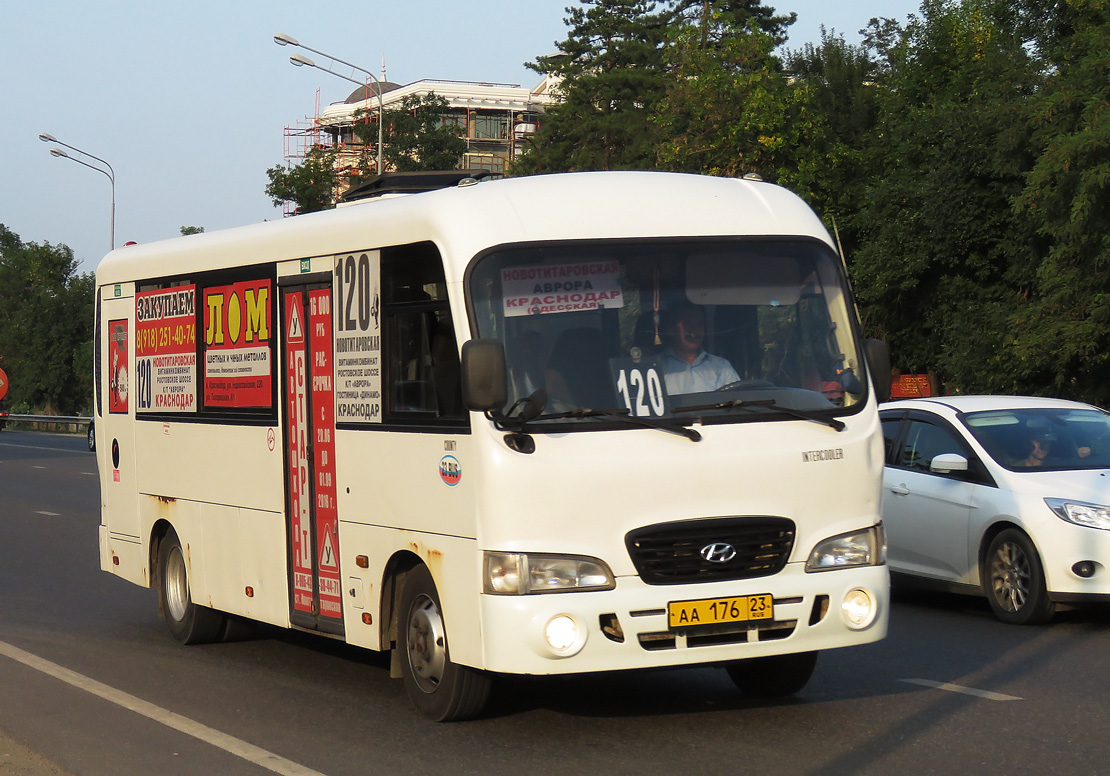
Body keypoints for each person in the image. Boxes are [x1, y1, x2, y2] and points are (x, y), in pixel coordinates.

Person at [658, 303, 740, 394]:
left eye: (699, 324)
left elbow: (739, 402)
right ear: (671, 330)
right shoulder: (657, 368)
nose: (694, 330)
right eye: (687, 324)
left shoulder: (722, 367)